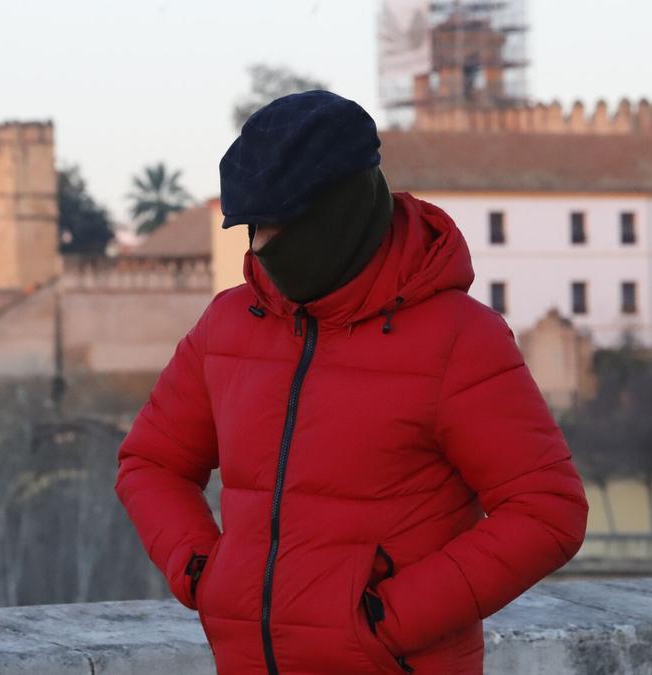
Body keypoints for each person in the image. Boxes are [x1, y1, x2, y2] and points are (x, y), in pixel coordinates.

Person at [115, 90, 588, 674]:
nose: (260, 246)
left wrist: (386, 622)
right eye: (252, 226)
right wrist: (203, 572)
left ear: (342, 211)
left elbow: (548, 510)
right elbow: (150, 462)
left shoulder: (460, 339)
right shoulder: (227, 325)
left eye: (280, 223)